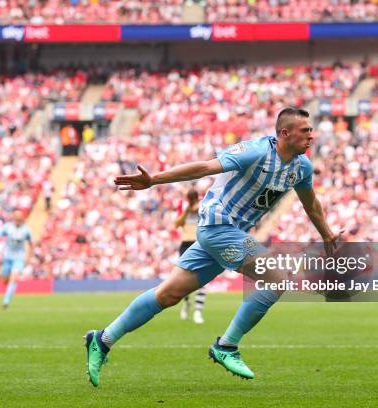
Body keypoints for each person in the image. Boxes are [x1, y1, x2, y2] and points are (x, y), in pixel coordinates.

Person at [84, 108, 343, 386]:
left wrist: (327, 234)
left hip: (231, 233)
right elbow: (206, 167)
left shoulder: (300, 168)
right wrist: (154, 180)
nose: (312, 136)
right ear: (285, 133)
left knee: (168, 294)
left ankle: (102, 339)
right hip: (217, 225)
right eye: (306, 131)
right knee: (276, 277)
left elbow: (310, 203)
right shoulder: (255, 151)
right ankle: (227, 346)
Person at [175, 189, 206, 324]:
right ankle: (187, 302)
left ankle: (198, 311)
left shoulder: (203, 206)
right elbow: (177, 224)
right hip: (185, 243)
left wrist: (197, 209)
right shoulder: (184, 208)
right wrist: (186, 211)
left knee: (202, 277)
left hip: (199, 242)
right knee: (183, 278)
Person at [0, 210, 33, 309]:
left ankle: (6, 301)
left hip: (19, 257)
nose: (18, 220)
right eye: (16, 217)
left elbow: (31, 244)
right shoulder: (7, 227)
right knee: (5, 278)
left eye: (20, 217)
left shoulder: (26, 230)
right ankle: (10, 287)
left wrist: (28, 257)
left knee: (14, 278)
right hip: (7, 257)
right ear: (13, 218)